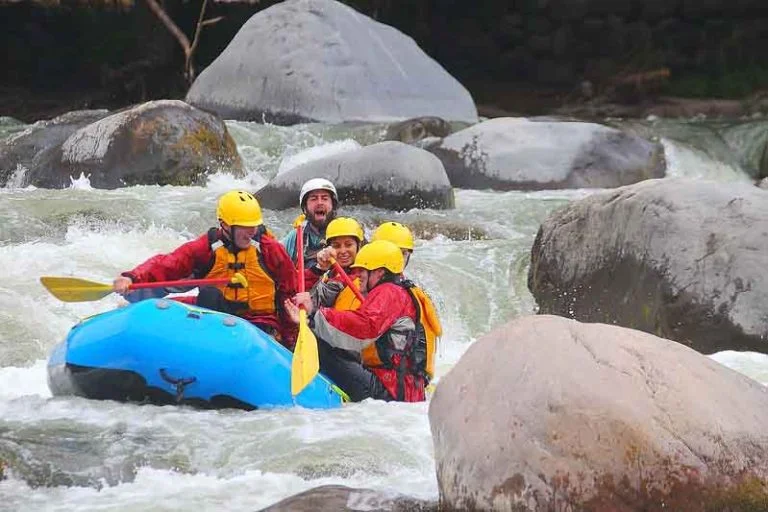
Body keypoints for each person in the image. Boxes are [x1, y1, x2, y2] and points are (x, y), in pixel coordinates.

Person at [113, 190, 298, 348]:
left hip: (260, 322)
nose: (251, 232)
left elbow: (289, 295)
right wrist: (132, 278)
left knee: (208, 298)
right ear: (224, 225)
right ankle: (131, 311)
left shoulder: (270, 249)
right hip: (215, 317)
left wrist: (290, 339)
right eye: (243, 227)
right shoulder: (207, 247)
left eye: (253, 226)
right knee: (193, 299)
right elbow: (169, 264)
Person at [285, 240, 440, 403]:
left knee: (319, 344)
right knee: (324, 339)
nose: (357, 274)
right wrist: (310, 319)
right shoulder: (395, 290)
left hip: (391, 392)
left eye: (362, 270)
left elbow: (363, 328)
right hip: (396, 387)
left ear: (379, 272)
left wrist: (314, 315)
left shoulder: (390, 293)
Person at [371, 221, 442, 383]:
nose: (398, 259)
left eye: (403, 254)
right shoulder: (373, 283)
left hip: (395, 381)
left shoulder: (405, 293)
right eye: (393, 252)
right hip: (407, 382)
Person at [308, 216, 365, 310]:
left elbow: (317, 301)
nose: (343, 251)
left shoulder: (364, 275)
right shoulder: (330, 271)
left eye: (348, 245)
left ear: (358, 246)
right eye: (336, 246)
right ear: (328, 248)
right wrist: (318, 269)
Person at [281, 178, 338, 269]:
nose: (319, 203)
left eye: (324, 198)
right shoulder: (296, 237)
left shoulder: (347, 231)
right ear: (305, 207)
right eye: (313, 199)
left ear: (333, 205)